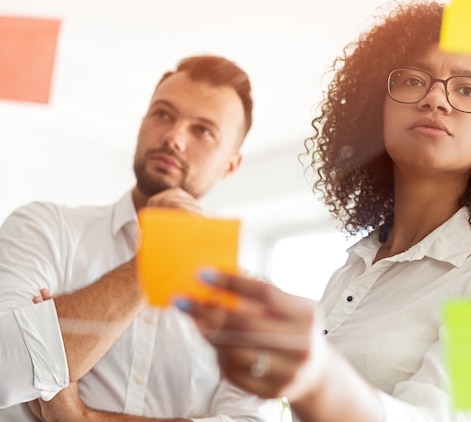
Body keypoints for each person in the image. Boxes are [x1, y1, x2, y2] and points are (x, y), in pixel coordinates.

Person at [177, 2, 471, 421]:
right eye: (413, 80)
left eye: (468, 90)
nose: (436, 97)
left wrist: (315, 376)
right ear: (375, 115)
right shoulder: (352, 271)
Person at [0, 55, 279, 421]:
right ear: (143, 121)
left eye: (203, 130)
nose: (173, 137)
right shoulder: (44, 228)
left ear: (231, 164)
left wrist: (81, 417)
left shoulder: (252, 300)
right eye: (163, 114)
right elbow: (5, 365)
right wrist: (152, 264)